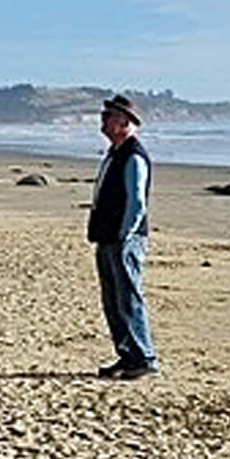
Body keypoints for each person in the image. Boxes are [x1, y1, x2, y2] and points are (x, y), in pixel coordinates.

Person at [88, 94, 159, 380]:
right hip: (107, 236)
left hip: (123, 239)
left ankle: (143, 357)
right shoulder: (116, 153)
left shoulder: (133, 156)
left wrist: (124, 235)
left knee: (128, 298)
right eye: (104, 116)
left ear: (124, 122)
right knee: (113, 300)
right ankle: (127, 355)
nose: (103, 121)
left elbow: (137, 203)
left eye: (109, 117)